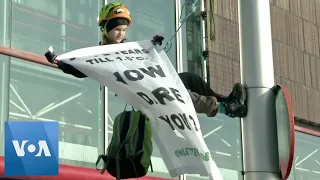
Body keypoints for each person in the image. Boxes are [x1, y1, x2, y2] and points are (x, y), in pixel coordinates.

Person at [45, 2, 247, 119]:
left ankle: (226, 103)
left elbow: (142, 56)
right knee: (182, 95)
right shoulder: (101, 55)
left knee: (190, 79)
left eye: (123, 30)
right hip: (146, 94)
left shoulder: (126, 47)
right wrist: (61, 63)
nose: (121, 34)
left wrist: (152, 43)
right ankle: (224, 108)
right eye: (117, 30)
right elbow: (81, 68)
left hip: (154, 82)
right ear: (105, 29)